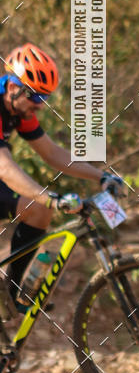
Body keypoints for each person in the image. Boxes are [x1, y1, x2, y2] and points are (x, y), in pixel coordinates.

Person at [0, 43, 121, 307]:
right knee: (43, 204)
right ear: (12, 88)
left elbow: (52, 153)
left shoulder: (16, 110)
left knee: (39, 212)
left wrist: (101, 176)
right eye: (35, 97)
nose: (40, 105)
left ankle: (11, 294)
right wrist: (50, 197)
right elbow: (5, 168)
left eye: (44, 98)